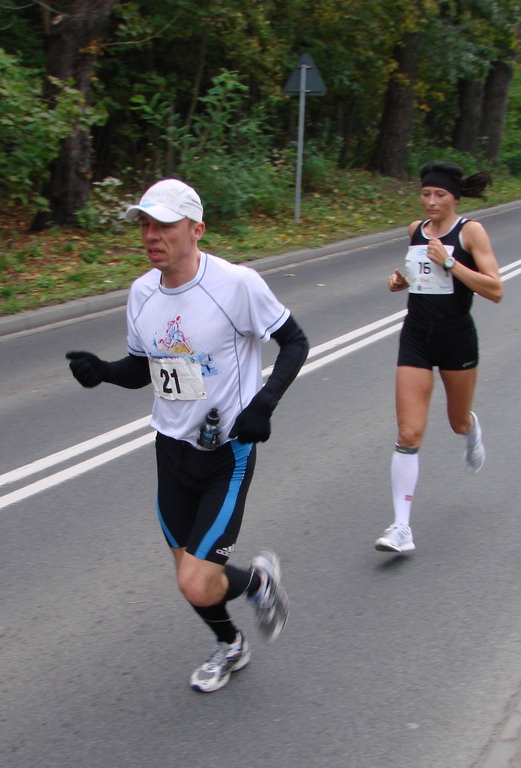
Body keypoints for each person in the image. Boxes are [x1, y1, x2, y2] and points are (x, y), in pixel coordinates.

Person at [65, 179, 309, 693]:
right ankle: (234, 639)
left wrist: (263, 405)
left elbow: (294, 341)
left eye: (164, 226)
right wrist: (103, 372)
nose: (152, 235)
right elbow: (143, 367)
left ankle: (253, 590)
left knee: (195, 580)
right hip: (170, 451)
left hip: (227, 453)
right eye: (146, 225)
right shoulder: (141, 292)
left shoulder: (236, 285)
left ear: (196, 230)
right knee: (194, 580)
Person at [375, 161, 504, 554]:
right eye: (426, 193)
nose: (431, 201)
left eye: (440, 195)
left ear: (455, 198)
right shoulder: (415, 231)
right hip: (416, 335)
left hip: (456, 338)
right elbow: (419, 278)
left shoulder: (471, 232)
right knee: (408, 433)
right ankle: (401, 528)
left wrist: (450, 261)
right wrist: (400, 282)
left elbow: (495, 289)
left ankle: (471, 428)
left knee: (456, 421)